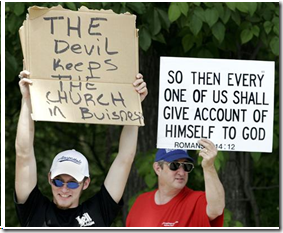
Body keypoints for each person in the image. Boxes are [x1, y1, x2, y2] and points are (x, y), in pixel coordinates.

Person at [15, 70, 148, 227]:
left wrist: (135, 105)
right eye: (58, 181)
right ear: (50, 178)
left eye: (72, 183)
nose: (64, 189)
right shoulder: (34, 209)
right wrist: (27, 99)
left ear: (85, 183)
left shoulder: (98, 211)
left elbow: (125, 159)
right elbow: (24, 155)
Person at [126, 139, 225, 227]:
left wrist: (209, 167)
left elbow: (217, 209)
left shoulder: (196, 201)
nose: (182, 173)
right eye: (174, 165)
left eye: (186, 166)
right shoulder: (141, 202)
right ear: (158, 168)